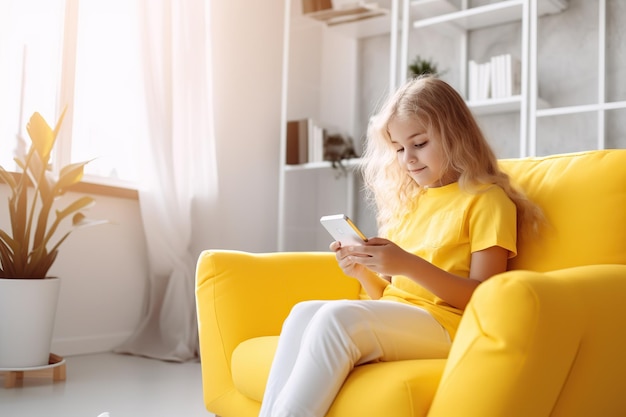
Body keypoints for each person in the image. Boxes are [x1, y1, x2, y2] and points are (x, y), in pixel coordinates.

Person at [259, 76, 543, 417]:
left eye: (419, 143)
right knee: (302, 313)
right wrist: (363, 271)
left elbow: (482, 299)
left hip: (451, 327)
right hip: (412, 321)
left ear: (455, 135)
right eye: (398, 148)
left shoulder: (487, 201)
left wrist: (407, 264)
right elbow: (392, 299)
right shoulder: (411, 202)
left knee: (336, 319)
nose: (407, 158)